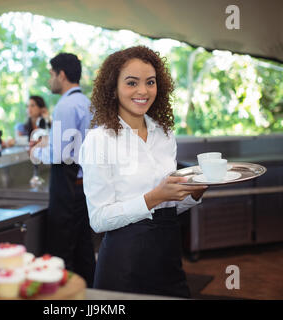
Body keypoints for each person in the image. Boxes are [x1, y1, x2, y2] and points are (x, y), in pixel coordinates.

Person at [79, 46, 208, 298]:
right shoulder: (99, 140)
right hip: (124, 263)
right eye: (131, 83)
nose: (143, 91)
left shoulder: (165, 134)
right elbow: (99, 220)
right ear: (113, 89)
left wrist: (194, 194)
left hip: (168, 257)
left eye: (150, 82)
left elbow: (167, 207)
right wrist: (154, 197)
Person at [30, 53, 96, 287]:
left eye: (51, 74)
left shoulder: (66, 105)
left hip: (67, 186)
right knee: (83, 250)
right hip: (83, 186)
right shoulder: (87, 103)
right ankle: (91, 296)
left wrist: (36, 153)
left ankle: (62, 299)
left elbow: (61, 155)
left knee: (61, 252)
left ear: (62, 74)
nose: (50, 80)